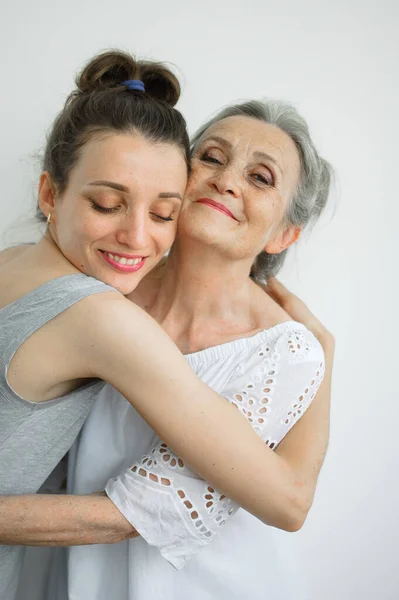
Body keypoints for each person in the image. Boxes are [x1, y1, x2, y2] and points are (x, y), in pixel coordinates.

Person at [0, 51, 318, 600]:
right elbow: (288, 497)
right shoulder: (106, 305)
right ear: (51, 193)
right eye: (211, 158)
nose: (225, 182)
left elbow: (290, 507)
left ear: (284, 235)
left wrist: (319, 357)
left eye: (260, 176)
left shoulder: (27, 264)